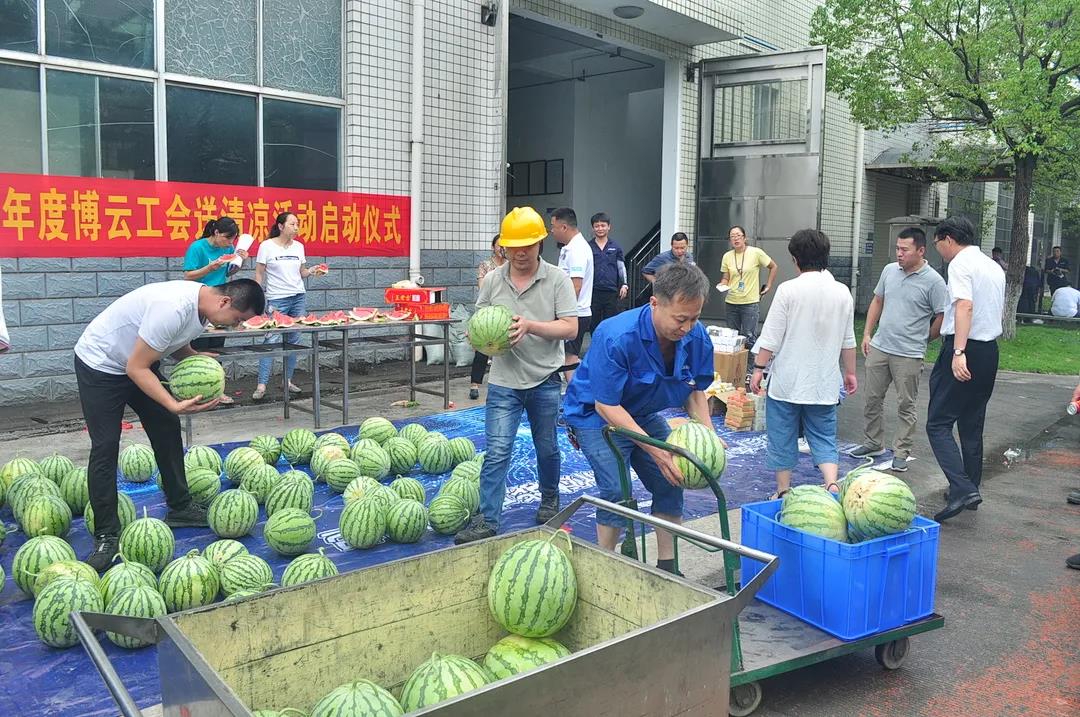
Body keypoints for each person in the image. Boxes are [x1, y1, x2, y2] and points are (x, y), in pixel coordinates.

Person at [74, 279, 266, 570]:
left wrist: (195, 358)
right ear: (225, 302)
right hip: (100, 364)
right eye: (238, 320)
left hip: (136, 361)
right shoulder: (172, 308)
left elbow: (175, 343)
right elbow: (135, 368)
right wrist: (173, 403)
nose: (235, 326)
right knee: (106, 445)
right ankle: (106, 534)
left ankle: (180, 507)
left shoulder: (203, 310)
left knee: (166, 426)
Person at [563, 262, 717, 574]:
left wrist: (708, 436)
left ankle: (667, 566)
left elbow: (694, 390)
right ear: (655, 303)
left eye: (695, 318)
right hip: (595, 415)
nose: (687, 328)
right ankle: (604, 567)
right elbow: (607, 406)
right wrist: (657, 451)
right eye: (680, 319)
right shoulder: (617, 335)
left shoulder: (696, 337)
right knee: (617, 491)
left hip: (642, 412)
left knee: (671, 480)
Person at [454, 207, 578, 544]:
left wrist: (530, 326)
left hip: (545, 379)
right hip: (505, 381)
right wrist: (476, 334)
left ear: (540, 243)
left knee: (547, 447)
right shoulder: (493, 280)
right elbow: (481, 319)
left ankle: (550, 499)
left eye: (528, 245)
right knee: (496, 451)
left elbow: (571, 327)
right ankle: (488, 519)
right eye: (514, 246)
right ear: (503, 248)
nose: (521, 253)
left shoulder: (557, 279)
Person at [750, 229, 857, 499]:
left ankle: (784, 490)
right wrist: (851, 373)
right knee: (823, 434)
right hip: (824, 382)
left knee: (782, 435)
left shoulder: (788, 290)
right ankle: (832, 483)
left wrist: (758, 370)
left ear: (796, 259)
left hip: (787, 382)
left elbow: (771, 337)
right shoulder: (842, 292)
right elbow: (848, 340)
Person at [925, 216, 1005, 523]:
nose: (939, 250)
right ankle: (970, 487)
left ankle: (961, 487)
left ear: (947, 239)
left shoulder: (959, 264)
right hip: (988, 350)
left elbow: (964, 306)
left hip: (965, 347)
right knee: (972, 421)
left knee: (938, 423)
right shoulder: (992, 265)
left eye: (937, 244)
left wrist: (958, 352)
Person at [849, 228, 948, 472]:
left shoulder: (934, 281)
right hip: (881, 346)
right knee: (872, 398)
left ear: (921, 251)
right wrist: (867, 333)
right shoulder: (889, 271)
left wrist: (924, 339)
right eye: (897, 248)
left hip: (909, 353)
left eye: (905, 250)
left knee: (906, 404)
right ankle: (873, 442)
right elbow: (878, 300)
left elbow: (942, 316)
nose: (899, 254)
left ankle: (901, 451)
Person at [252, 212, 327, 400]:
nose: (296, 227)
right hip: (276, 299)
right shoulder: (266, 246)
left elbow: (302, 273)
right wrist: (258, 294)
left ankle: (287, 380)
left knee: (293, 341)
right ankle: (261, 384)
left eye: (298, 224)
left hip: (298, 297)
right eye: (292, 224)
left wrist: (312, 271)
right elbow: (259, 273)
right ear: (280, 226)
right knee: (271, 341)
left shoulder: (299, 247)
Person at [183, 216, 249, 405]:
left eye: (233, 240)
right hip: (200, 301)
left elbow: (228, 272)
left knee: (217, 348)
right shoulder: (197, 248)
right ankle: (193, 393)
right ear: (216, 232)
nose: (229, 243)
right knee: (198, 347)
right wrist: (210, 267)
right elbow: (188, 275)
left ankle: (217, 391)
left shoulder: (228, 249)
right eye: (227, 238)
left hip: (221, 302)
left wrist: (240, 262)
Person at [717, 225, 777, 351]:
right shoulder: (727, 256)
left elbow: (773, 266)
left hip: (750, 303)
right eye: (732, 236)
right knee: (732, 338)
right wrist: (723, 283)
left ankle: (749, 369)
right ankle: (734, 368)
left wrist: (769, 285)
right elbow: (726, 277)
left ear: (744, 238)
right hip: (731, 302)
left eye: (738, 235)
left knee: (749, 338)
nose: (735, 239)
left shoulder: (756, 252)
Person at [551, 207, 593, 384]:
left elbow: (576, 286)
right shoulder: (570, 248)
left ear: (564, 227)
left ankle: (578, 396)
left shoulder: (577, 250)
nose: (551, 231)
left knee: (569, 359)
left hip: (575, 313)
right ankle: (575, 396)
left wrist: (561, 312)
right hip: (573, 312)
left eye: (553, 226)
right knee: (568, 357)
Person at [469, 235, 507, 400]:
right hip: (488, 313)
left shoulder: (511, 265)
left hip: (504, 312)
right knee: (483, 348)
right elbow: (482, 289)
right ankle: (475, 384)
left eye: (504, 245)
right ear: (493, 247)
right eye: (499, 246)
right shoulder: (485, 266)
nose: (502, 248)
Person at [587, 212, 628, 332]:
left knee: (610, 322)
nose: (600, 228)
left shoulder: (615, 247)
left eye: (603, 225)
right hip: (593, 291)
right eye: (597, 226)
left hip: (611, 292)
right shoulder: (587, 247)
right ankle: (596, 346)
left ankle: (608, 348)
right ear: (593, 228)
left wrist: (624, 284)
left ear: (609, 227)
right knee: (593, 322)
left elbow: (621, 267)